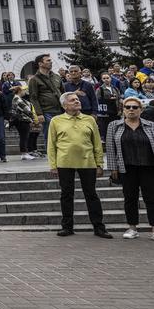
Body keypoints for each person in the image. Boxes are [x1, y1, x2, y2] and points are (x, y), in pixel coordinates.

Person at [48, 92, 111, 238]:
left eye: (77, 99)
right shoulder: (56, 121)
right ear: (64, 105)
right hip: (64, 162)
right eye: (72, 100)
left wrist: (99, 163)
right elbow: (51, 145)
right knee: (66, 195)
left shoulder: (89, 120)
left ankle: (99, 227)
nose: (77, 101)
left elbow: (97, 143)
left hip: (87, 161)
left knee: (91, 194)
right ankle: (67, 226)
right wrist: (53, 164)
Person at [105, 97, 154, 240]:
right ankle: (132, 227)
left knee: (151, 198)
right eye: (127, 107)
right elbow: (110, 148)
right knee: (130, 198)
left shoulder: (151, 125)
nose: (131, 110)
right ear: (123, 109)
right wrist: (113, 168)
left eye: (134, 107)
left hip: (149, 167)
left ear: (141, 109)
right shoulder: (114, 125)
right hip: (126, 168)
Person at [29, 53, 64, 149]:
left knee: (62, 135)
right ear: (40, 64)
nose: (51, 62)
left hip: (60, 111)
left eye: (50, 60)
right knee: (50, 136)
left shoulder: (57, 77)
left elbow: (63, 93)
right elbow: (33, 98)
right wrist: (39, 113)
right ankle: (52, 158)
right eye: (48, 60)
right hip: (46, 112)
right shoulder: (34, 80)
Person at [9, 86, 37, 161]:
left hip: (21, 120)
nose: (25, 92)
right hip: (22, 120)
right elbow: (26, 109)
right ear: (20, 91)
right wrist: (33, 117)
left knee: (24, 137)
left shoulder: (17, 98)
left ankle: (24, 153)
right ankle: (24, 153)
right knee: (24, 137)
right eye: (24, 90)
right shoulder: (17, 98)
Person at [97, 73, 122, 140]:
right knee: (107, 130)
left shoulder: (115, 88)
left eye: (107, 78)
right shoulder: (100, 89)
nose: (106, 80)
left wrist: (120, 110)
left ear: (110, 79)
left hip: (116, 111)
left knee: (116, 128)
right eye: (104, 78)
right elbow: (97, 101)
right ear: (102, 80)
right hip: (106, 113)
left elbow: (119, 99)